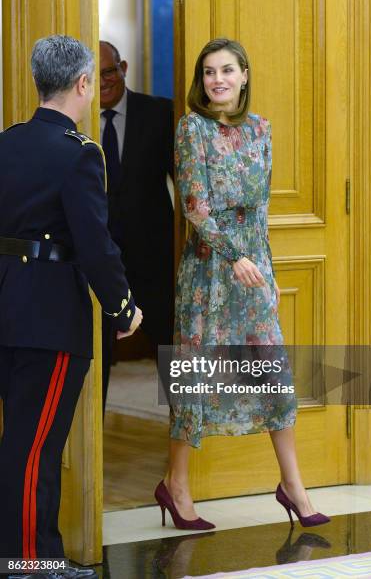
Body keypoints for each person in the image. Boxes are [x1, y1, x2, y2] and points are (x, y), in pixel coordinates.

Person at [154, 38, 330, 530]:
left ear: (244, 75)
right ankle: (177, 486)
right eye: (209, 72)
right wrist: (234, 257)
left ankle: (293, 486)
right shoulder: (192, 129)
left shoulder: (260, 130)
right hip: (209, 273)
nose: (217, 80)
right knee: (196, 377)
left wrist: (265, 271)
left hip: (253, 272)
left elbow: (261, 212)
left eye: (227, 70)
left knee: (273, 375)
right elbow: (194, 208)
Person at [0, 35, 142, 578]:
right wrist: (123, 307)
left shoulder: (7, 143)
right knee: (35, 447)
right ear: (83, 84)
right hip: (51, 317)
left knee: (21, 438)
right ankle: (30, 563)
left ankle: (37, 554)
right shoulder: (80, 154)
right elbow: (95, 245)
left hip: (9, 307)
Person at [99, 41, 174, 411]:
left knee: (172, 350)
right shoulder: (75, 121)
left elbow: (187, 184)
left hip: (153, 258)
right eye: (93, 75)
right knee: (96, 356)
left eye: (109, 71)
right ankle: (87, 454)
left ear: (123, 67)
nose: (102, 82)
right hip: (98, 263)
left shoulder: (159, 113)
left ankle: (188, 441)